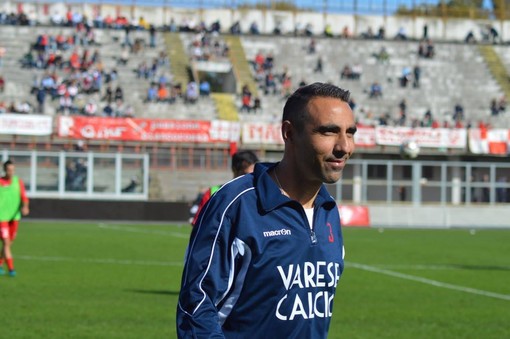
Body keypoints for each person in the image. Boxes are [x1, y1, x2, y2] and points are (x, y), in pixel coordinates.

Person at [177, 83, 356, 337]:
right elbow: (196, 307)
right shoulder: (237, 204)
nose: (344, 147)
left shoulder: (328, 211)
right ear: (289, 133)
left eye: (350, 133)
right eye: (328, 132)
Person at [190, 150, 259, 227]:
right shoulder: (213, 192)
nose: (255, 172)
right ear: (236, 168)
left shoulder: (258, 193)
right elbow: (198, 224)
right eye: (252, 167)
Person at [0, 160, 30, 277]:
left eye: (12, 170)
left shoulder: (18, 182)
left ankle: (0, 263)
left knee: (9, 243)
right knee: (6, 243)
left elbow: (24, 197)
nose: (11, 172)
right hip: (2, 218)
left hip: (14, 217)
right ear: (4, 170)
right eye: (8, 170)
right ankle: (11, 269)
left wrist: (25, 207)